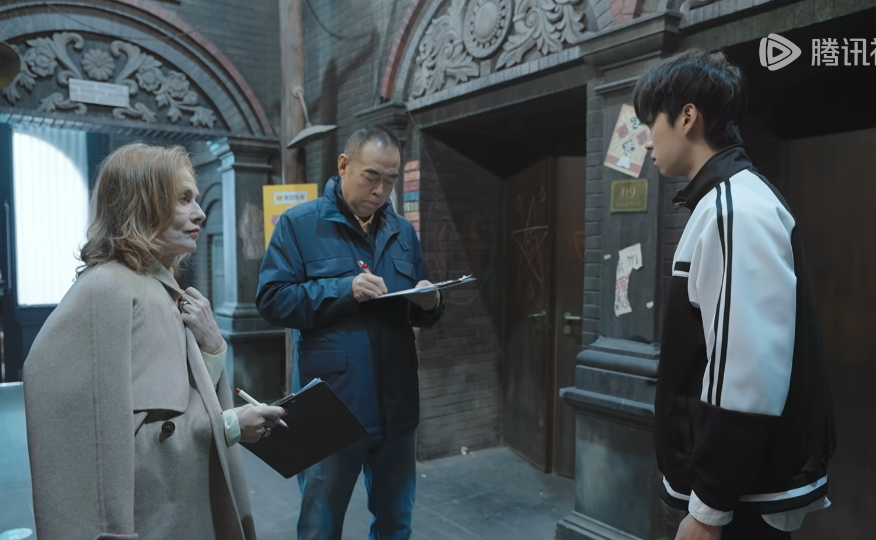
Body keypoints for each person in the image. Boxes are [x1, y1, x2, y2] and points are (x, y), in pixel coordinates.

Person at [23, 142, 287, 540]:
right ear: (141, 203)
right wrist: (230, 426)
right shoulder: (106, 291)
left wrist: (212, 347)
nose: (200, 213)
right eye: (183, 199)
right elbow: (98, 446)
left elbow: (173, 396)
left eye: (195, 198)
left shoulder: (154, 283)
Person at [633, 49, 836, 540]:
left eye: (650, 122)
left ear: (687, 117)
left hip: (740, 500)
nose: (646, 140)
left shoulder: (734, 208)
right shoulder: (722, 202)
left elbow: (746, 377)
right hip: (736, 491)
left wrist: (708, 509)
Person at [257, 126, 444, 540]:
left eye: (390, 180)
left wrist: (431, 304)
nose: (381, 190)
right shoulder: (300, 225)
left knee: (397, 523)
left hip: (396, 404)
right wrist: (344, 290)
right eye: (371, 176)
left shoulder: (402, 233)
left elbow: (418, 305)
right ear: (344, 165)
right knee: (320, 525)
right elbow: (272, 300)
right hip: (331, 404)